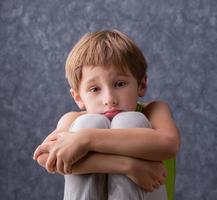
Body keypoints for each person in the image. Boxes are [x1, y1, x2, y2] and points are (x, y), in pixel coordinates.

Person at [33, 29, 180, 200]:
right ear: (78, 97)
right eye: (95, 89)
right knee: (87, 123)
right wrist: (128, 165)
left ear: (141, 84)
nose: (109, 99)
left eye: (119, 84)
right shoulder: (73, 119)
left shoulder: (154, 111)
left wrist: (86, 139)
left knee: (129, 121)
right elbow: (44, 156)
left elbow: (169, 144)